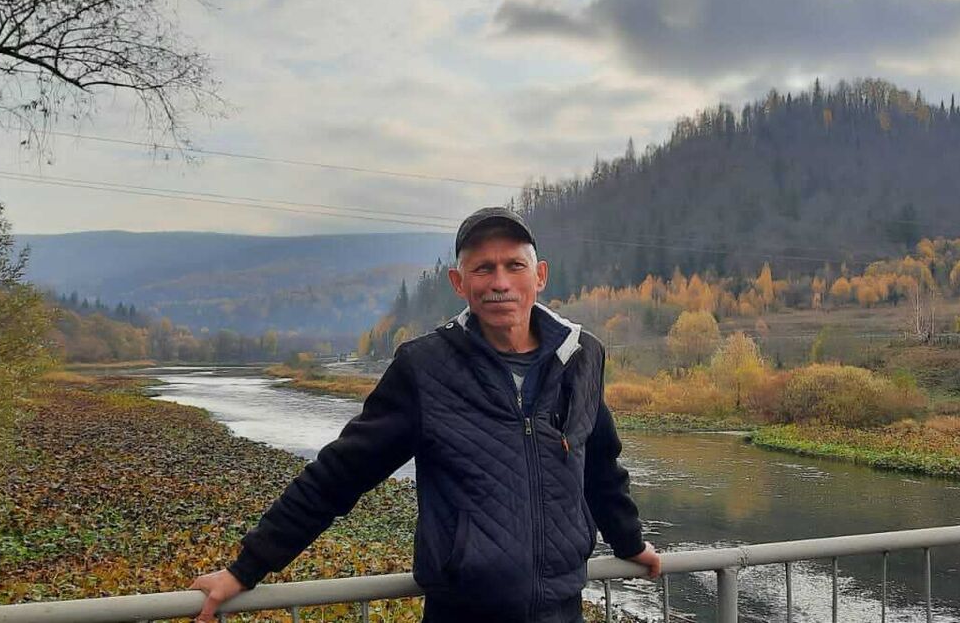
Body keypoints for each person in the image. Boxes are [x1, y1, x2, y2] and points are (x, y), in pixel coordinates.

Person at [189, 207, 660, 622]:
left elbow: (599, 467)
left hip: (562, 612)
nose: (500, 282)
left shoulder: (582, 357)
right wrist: (245, 569)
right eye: (483, 268)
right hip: (461, 614)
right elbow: (339, 474)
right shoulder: (425, 368)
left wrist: (630, 543)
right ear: (459, 283)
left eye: (514, 265)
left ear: (539, 276)